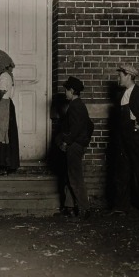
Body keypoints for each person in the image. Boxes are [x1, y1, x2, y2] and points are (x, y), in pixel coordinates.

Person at [107, 64, 139, 217]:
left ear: (128, 75)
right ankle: (121, 207)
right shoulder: (121, 95)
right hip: (122, 141)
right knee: (122, 174)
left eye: (120, 75)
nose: (118, 78)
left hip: (135, 140)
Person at [54, 77, 94, 219]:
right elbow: (90, 125)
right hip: (77, 145)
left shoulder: (75, 106)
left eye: (66, 90)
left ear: (72, 91)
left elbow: (76, 129)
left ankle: (85, 209)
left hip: (74, 146)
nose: (65, 92)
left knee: (75, 177)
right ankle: (69, 207)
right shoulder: (78, 105)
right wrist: (85, 141)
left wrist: (67, 142)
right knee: (69, 176)